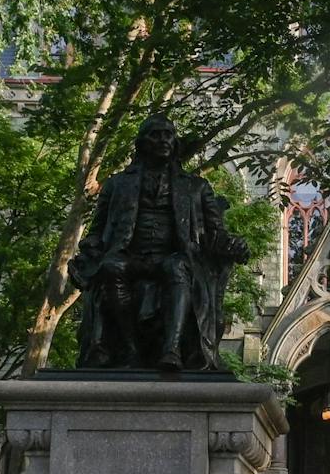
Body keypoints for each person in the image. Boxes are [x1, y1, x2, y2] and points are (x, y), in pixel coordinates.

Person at [69, 113, 248, 371]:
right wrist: (87, 253)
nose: (163, 140)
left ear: (175, 143)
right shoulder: (117, 184)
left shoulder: (196, 187)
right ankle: (130, 351)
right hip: (131, 256)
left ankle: (171, 350)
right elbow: (97, 232)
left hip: (174, 258)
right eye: (156, 135)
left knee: (177, 267)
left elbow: (215, 234)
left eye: (168, 135)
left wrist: (234, 245)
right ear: (142, 143)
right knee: (110, 267)